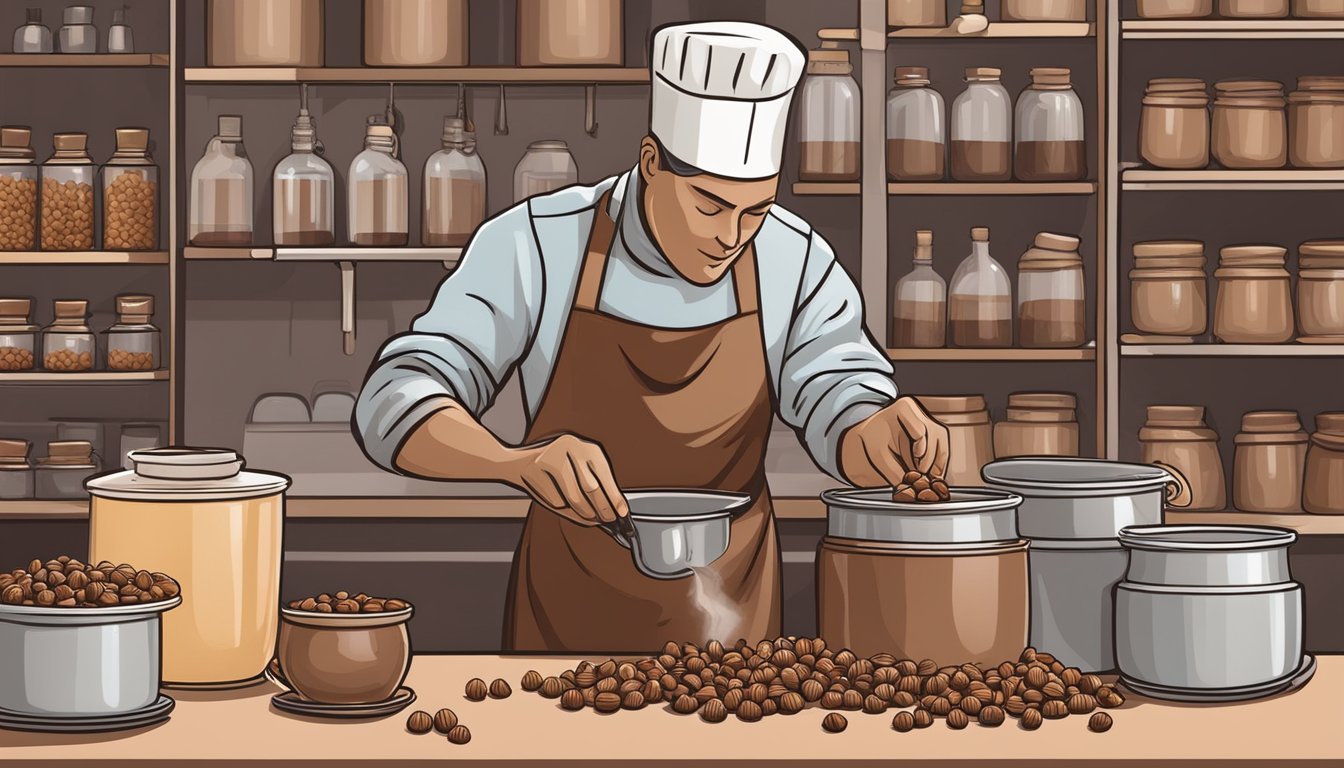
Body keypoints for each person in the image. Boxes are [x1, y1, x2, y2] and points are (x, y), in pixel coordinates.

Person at [354, 21, 949, 653]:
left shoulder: (792, 258)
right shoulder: (539, 244)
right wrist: (515, 464)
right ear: (651, 163)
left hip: (736, 633)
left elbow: (838, 397)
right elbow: (394, 399)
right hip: (567, 634)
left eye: (755, 210)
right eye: (710, 206)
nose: (731, 237)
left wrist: (871, 430)